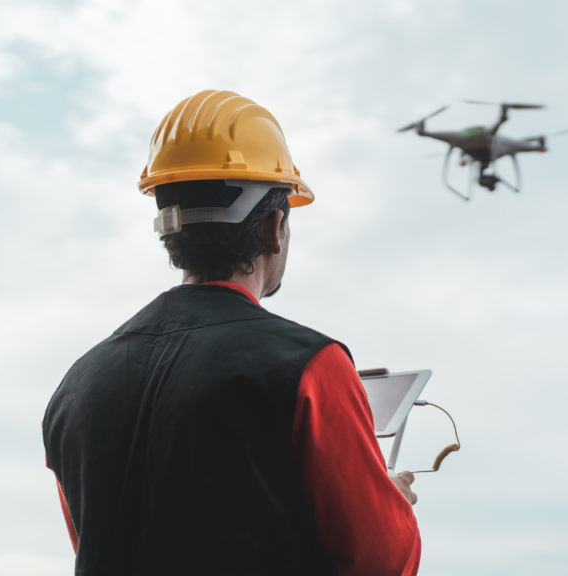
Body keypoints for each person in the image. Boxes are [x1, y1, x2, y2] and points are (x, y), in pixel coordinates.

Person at [42, 90, 421, 576]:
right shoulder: (310, 366)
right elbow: (382, 561)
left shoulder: (76, 385)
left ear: (169, 229)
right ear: (273, 228)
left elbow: (100, 542)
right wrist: (391, 505)